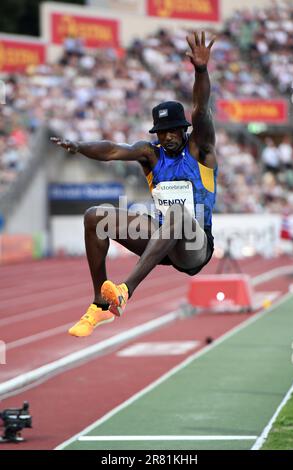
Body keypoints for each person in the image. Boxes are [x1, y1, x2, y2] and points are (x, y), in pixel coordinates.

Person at [51, 31, 218, 337]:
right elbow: (112, 150)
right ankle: (100, 304)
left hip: (195, 245)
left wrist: (201, 70)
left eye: (171, 131)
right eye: (161, 132)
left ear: (183, 130)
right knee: (95, 217)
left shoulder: (200, 150)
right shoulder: (149, 155)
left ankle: (125, 290)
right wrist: (79, 147)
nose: (166, 137)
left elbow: (202, 109)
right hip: (161, 239)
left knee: (179, 217)